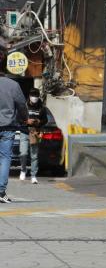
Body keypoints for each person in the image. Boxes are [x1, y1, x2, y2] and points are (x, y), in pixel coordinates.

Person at [0, 61, 27, 203]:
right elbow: (21, 105)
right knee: (5, 158)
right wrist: (25, 118)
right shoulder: (13, 85)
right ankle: (0, 191)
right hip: (7, 127)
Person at [19, 88, 47, 184]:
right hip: (24, 132)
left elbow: (45, 120)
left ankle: (33, 175)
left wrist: (39, 121)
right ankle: (23, 170)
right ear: (29, 96)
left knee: (34, 155)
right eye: (32, 95)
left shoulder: (42, 108)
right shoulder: (24, 106)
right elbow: (18, 119)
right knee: (23, 153)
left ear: (38, 96)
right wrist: (27, 121)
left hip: (35, 132)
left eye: (36, 96)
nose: (34, 98)